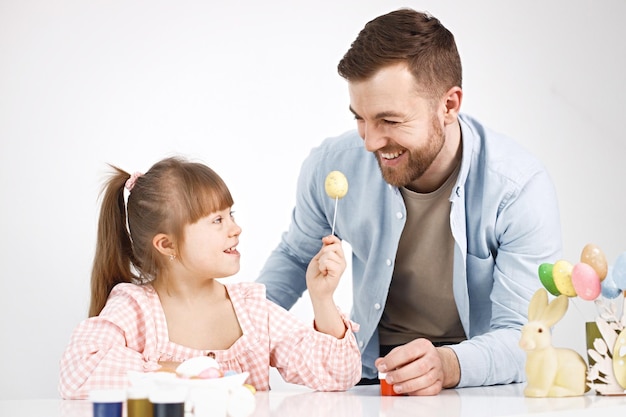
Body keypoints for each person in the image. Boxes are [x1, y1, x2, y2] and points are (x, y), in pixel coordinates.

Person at [257, 8, 562, 396]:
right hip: (366, 374)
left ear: (449, 106)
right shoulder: (332, 164)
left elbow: (524, 336)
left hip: (475, 385)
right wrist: (231, 331)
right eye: (360, 119)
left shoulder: (518, 188)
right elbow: (293, 258)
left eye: (389, 121)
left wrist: (449, 364)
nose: (369, 142)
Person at [59, 156, 361, 400]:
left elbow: (340, 375)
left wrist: (322, 299)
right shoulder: (135, 309)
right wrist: (185, 374)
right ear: (167, 245)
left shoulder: (251, 311)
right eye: (217, 220)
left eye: (231, 214)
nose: (235, 228)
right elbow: (79, 371)